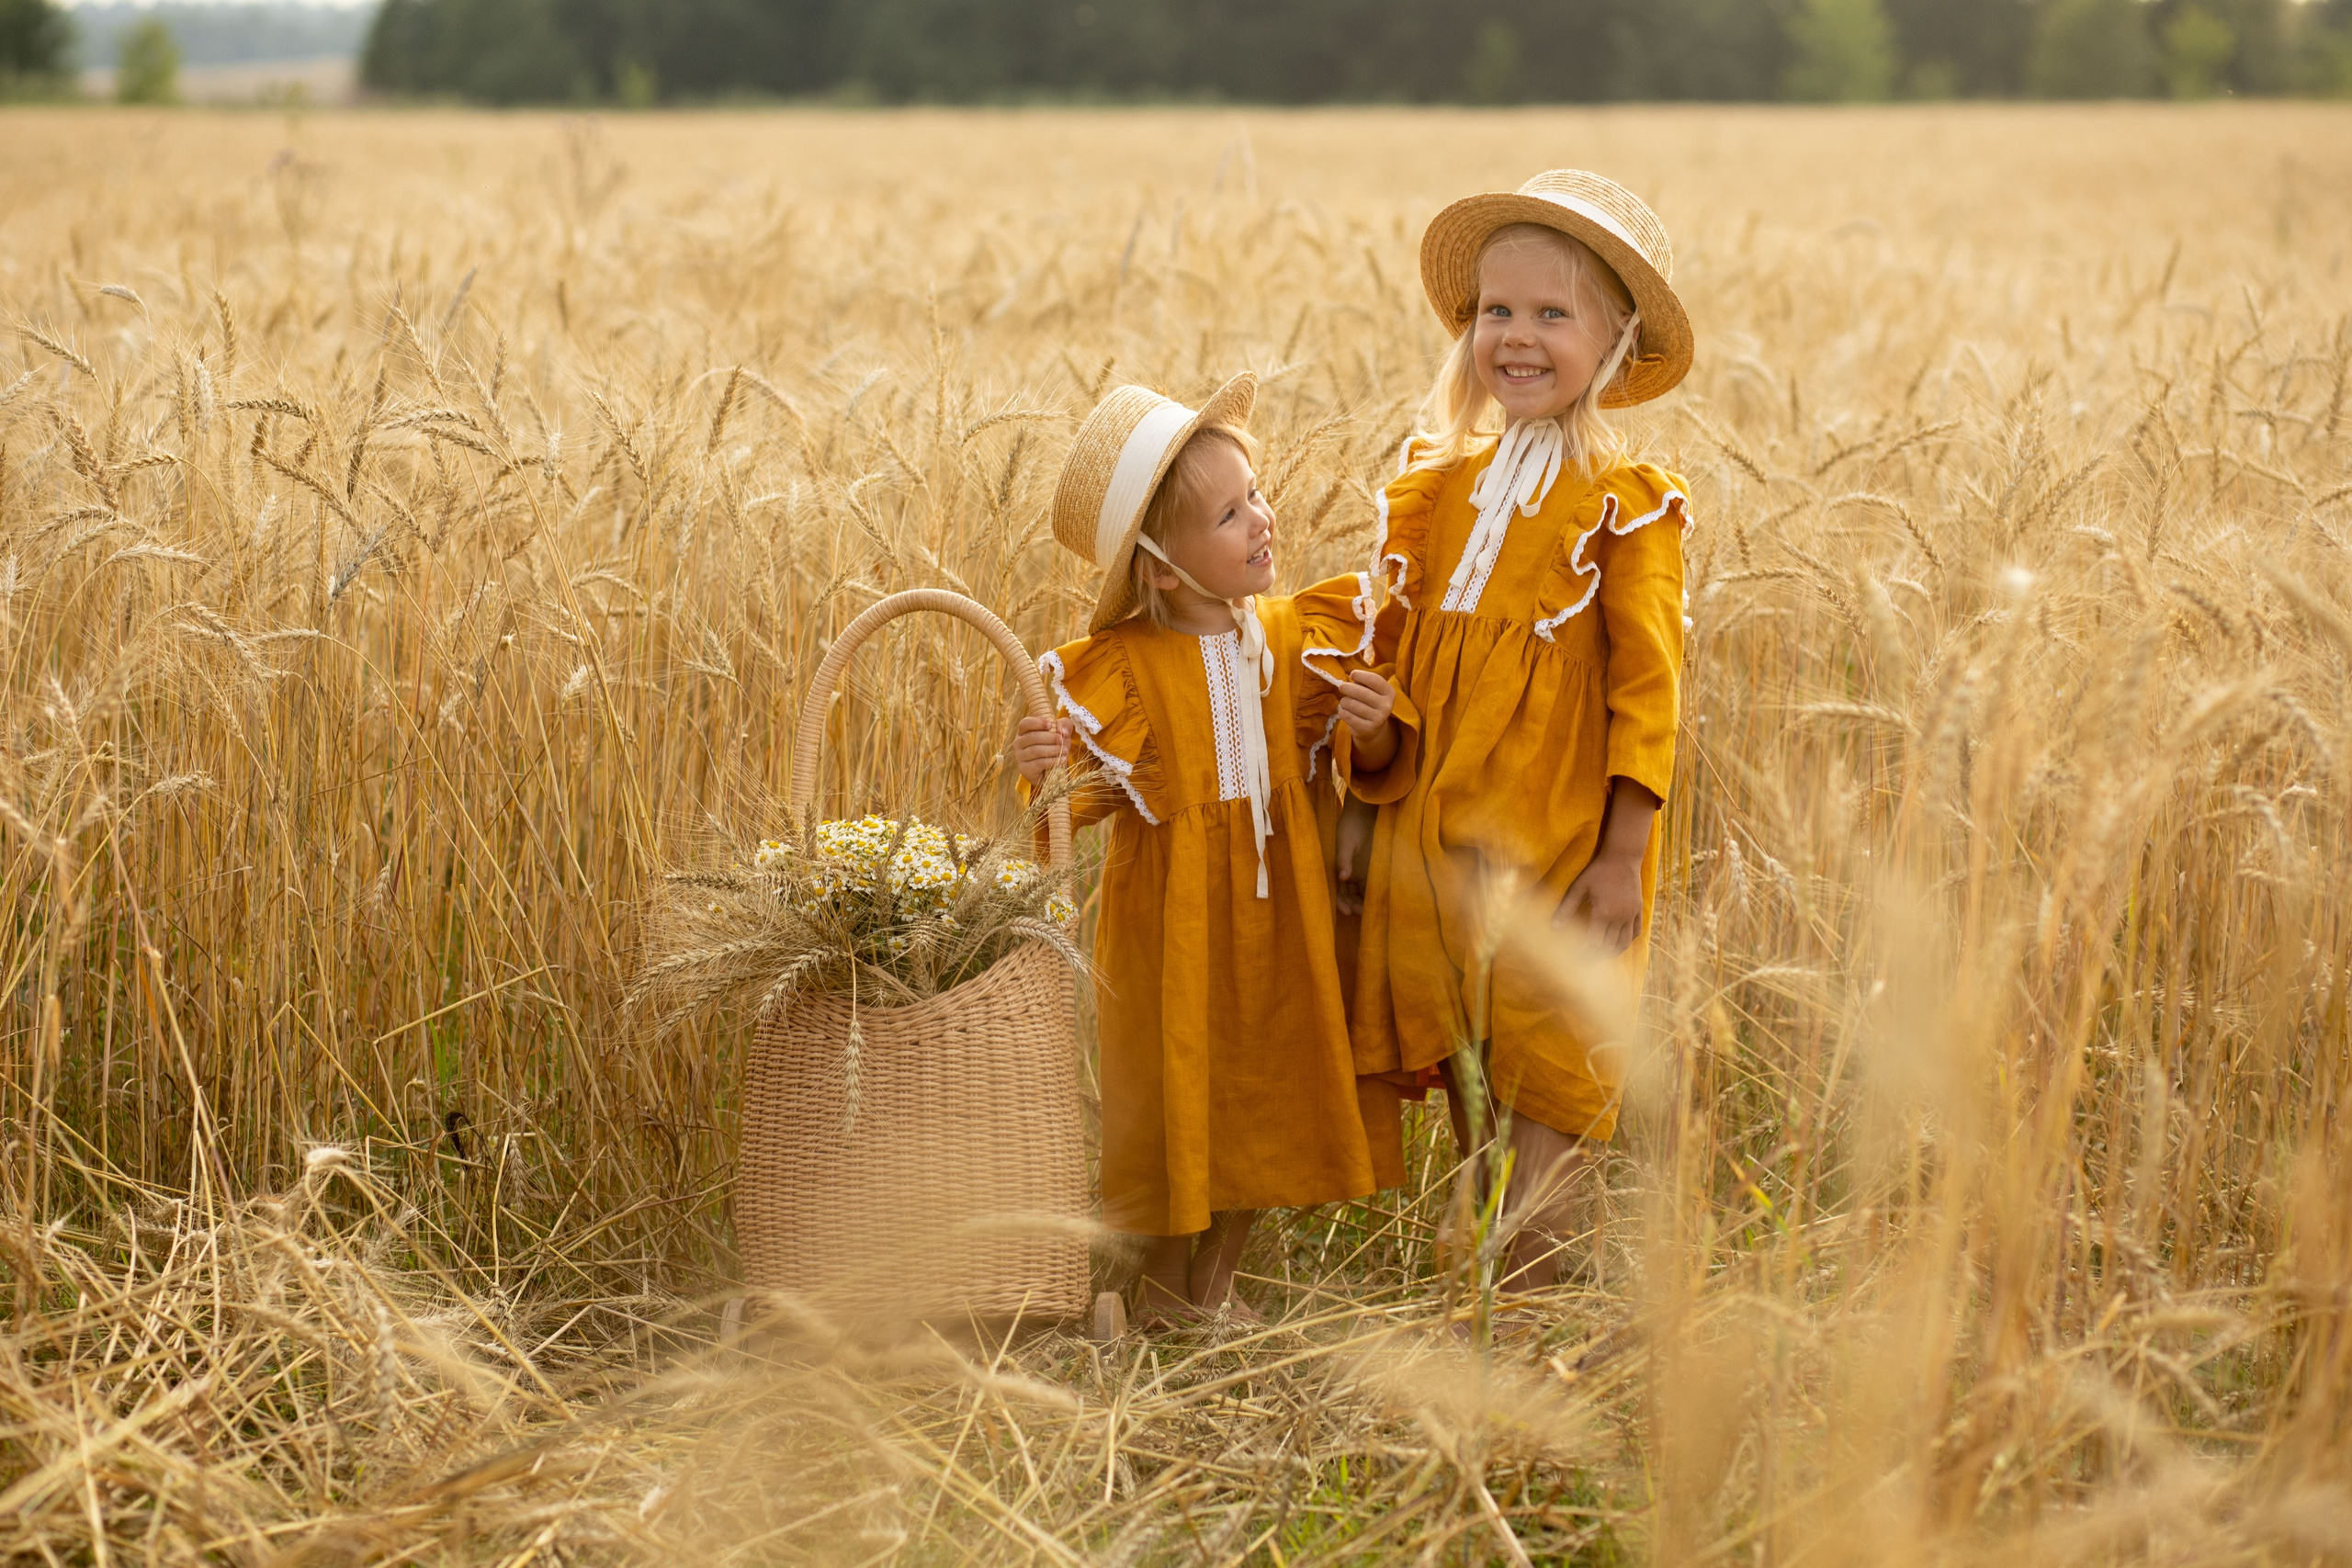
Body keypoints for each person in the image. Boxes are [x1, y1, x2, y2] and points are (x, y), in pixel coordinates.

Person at [1336, 170, 1696, 1295]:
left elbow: (1650, 689)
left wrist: (1624, 854)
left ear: (1616, 343)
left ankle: (1534, 1338)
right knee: (1479, 1100)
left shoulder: (1626, 504)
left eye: (1553, 314)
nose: (1517, 337)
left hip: (1560, 855)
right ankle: (1488, 1331)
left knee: (1553, 1091)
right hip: (1439, 852)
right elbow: (1399, 672)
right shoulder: (1438, 496)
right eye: (1497, 311)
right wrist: (1361, 800)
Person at [1013, 374, 1407, 1326]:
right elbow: (1079, 811)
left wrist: (1375, 730)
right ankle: (1157, 1289)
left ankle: (1215, 1288)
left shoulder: (1299, 637)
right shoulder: (1124, 675)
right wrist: (1042, 771)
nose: (1262, 520)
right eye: (1231, 514)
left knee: (1262, 1091)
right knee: (1177, 1094)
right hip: (1175, 927)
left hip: (1284, 923)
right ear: (1159, 567)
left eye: (1258, 494)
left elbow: (1364, 769)